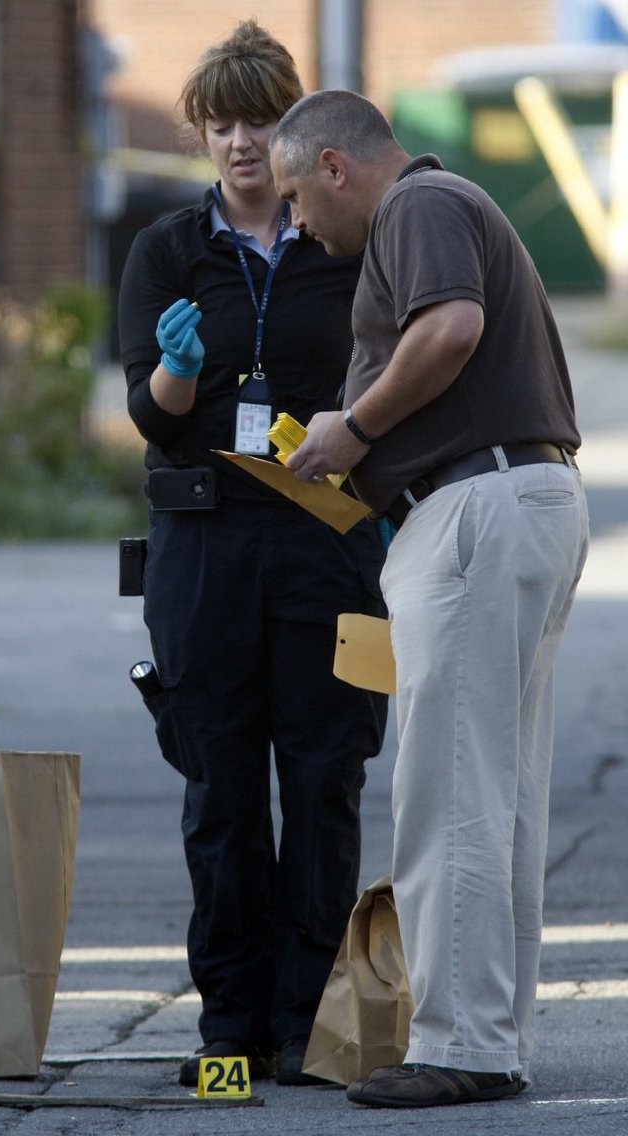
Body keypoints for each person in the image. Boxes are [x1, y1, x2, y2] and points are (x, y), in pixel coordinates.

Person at [269, 90, 589, 1109]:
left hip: (475, 510)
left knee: (449, 790)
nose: (292, 225)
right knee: (496, 793)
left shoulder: (417, 205)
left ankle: (460, 1040)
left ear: (331, 165)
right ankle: (491, 1033)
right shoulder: (442, 206)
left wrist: (351, 428)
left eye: (292, 196)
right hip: (511, 500)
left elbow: (450, 326)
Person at [118, 24, 389, 1087]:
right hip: (205, 544)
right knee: (220, 788)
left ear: (295, 129)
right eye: (219, 123)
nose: (239, 142)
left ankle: (310, 1022)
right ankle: (228, 1031)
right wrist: (181, 372)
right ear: (199, 132)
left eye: (259, 120)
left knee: (325, 777)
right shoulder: (165, 251)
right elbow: (150, 412)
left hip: (327, 541)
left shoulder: (343, 240)